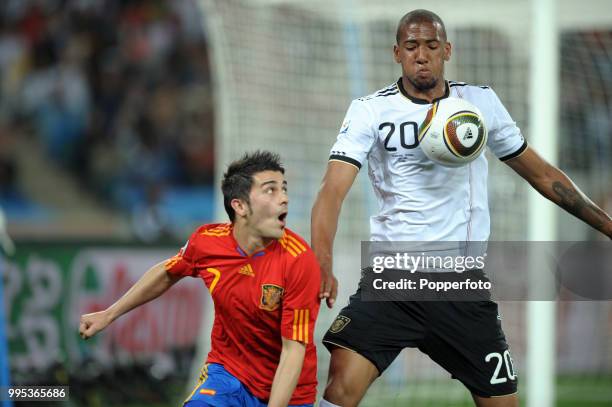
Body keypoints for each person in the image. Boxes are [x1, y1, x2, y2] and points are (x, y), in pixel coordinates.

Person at [311, 9, 612, 407]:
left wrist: (607, 226)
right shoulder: (370, 110)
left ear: (447, 50)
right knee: (340, 388)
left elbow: (541, 174)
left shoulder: (478, 103)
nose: (422, 55)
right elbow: (332, 190)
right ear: (396, 52)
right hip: (392, 280)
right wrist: (323, 261)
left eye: (432, 46)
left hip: (459, 283)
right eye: (412, 46)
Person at [80, 151, 321, 407]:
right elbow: (167, 272)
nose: (284, 198)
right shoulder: (207, 242)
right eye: (270, 190)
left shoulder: (299, 260)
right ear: (239, 206)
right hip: (228, 375)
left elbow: (293, 350)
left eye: (284, 189)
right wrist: (109, 314)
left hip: (289, 393)